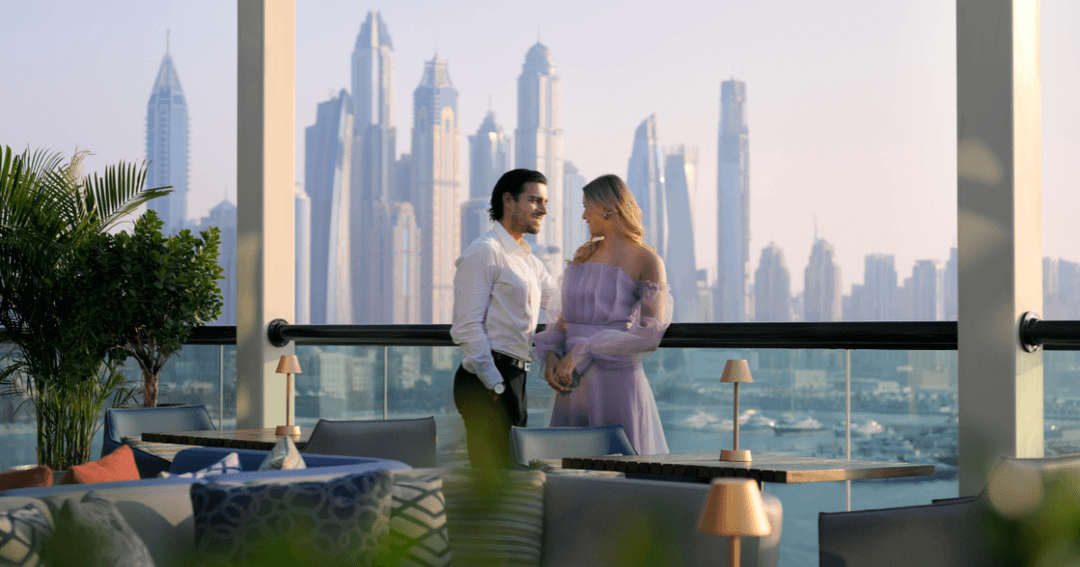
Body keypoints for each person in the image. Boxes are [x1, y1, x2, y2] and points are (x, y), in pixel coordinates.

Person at [533, 174, 671, 455]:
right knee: (569, 467)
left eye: (587, 206)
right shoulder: (583, 257)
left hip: (616, 381)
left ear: (607, 208)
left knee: (620, 464)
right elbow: (563, 320)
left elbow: (649, 333)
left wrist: (585, 348)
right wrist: (550, 355)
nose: (583, 215)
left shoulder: (648, 260)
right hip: (571, 381)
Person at [450, 169, 560, 468]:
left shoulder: (528, 261)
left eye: (545, 201)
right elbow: (466, 326)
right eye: (535, 200)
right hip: (488, 378)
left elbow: (560, 305)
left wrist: (589, 264)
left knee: (509, 475)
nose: (544, 210)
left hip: (515, 377)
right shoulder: (485, 252)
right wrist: (494, 383)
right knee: (493, 477)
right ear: (508, 201)